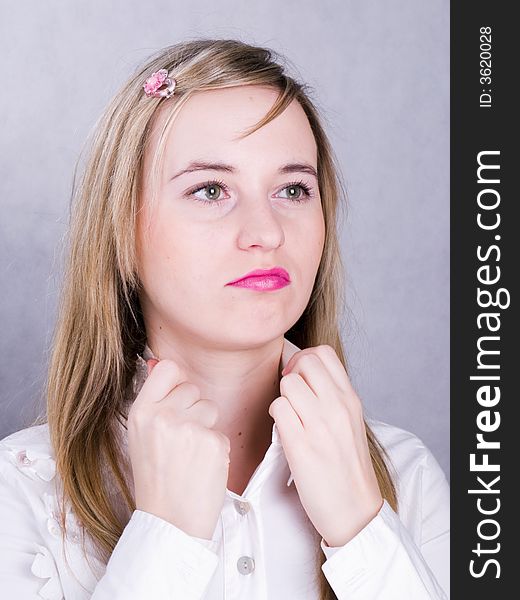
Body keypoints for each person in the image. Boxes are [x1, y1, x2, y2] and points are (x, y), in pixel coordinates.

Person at [0, 39, 450, 599]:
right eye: (210, 190)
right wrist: (165, 540)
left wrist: (363, 528)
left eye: (293, 189)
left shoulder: (403, 478)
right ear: (121, 230)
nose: (266, 231)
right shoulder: (19, 491)